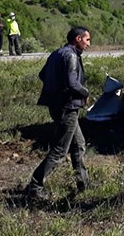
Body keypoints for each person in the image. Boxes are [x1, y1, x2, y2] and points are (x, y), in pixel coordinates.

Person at [25, 27, 92, 200]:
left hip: (59, 105)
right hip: (66, 107)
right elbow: (72, 83)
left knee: (79, 144)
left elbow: (42, 74)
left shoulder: (57, 53)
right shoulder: (70, 55)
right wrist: (85, 93)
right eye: (87, 40)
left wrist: (54, 89)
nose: (88, 44)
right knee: (61, 150)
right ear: (78, 39)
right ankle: (35, 185)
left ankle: (83, 183)